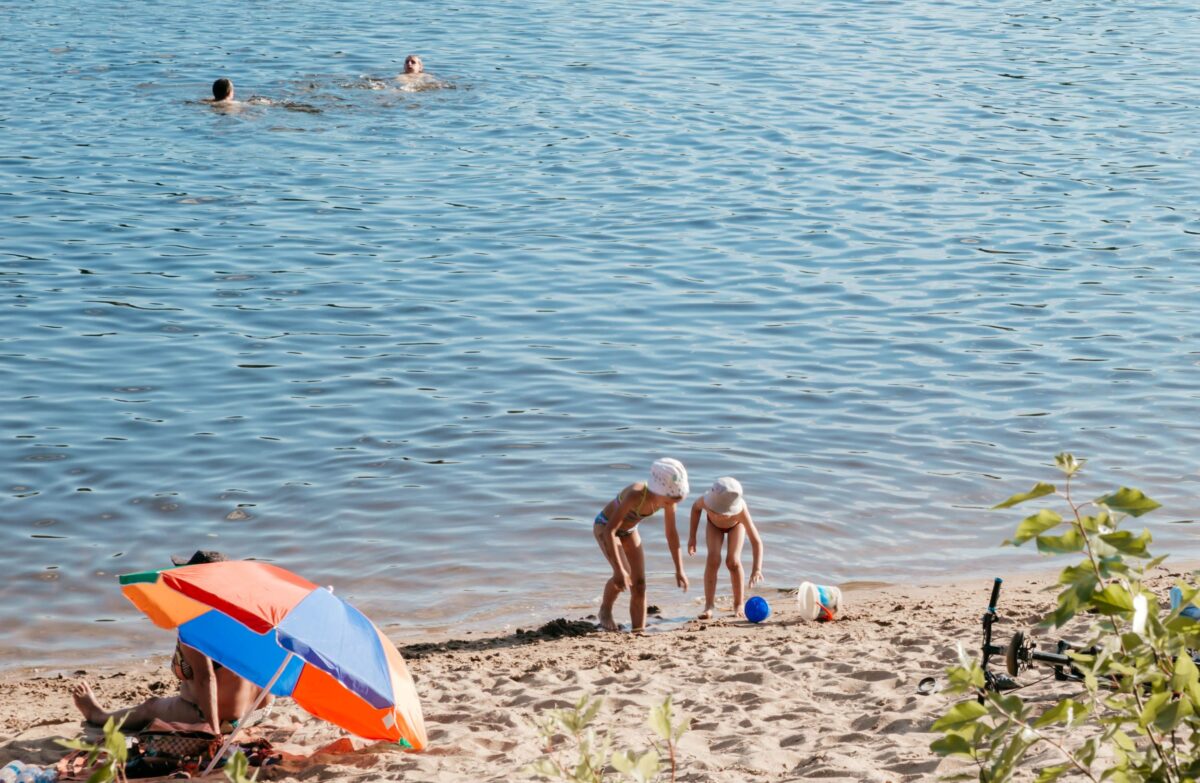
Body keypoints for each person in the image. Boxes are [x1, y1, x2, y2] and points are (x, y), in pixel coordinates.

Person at [70, 551, 271, 735]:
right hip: (258, 711)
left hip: (227, 719)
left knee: (149, 707)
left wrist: (213, 730)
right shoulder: (248, 611)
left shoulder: (197, 624)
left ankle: (97, 715)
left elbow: (205, 679)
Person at [593, 458, 690, 632]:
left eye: (676, 501)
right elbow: (610, 531)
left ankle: (638, 631)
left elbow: (671, 534)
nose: (671, 505)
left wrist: (679, 569)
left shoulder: (669, 500)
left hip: (630, 530)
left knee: (640, 583)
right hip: (605, 526)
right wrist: (618, 569)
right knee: (623, 575)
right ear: (657, 490)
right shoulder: (636, 494)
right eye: (669, 501)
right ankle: (605, 610)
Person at [687, 477, 765, 620]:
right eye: (715, 511)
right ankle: (709, 606)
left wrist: (757, 568)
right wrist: (692, 537)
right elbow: (695, 509)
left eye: (722, 513)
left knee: (733, 562)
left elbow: (756, 542)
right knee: (713, 559)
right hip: (713, 527)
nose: (719, 515)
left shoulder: (740, 512)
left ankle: (738, 604)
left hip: (736, 526)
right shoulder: (705, 501)